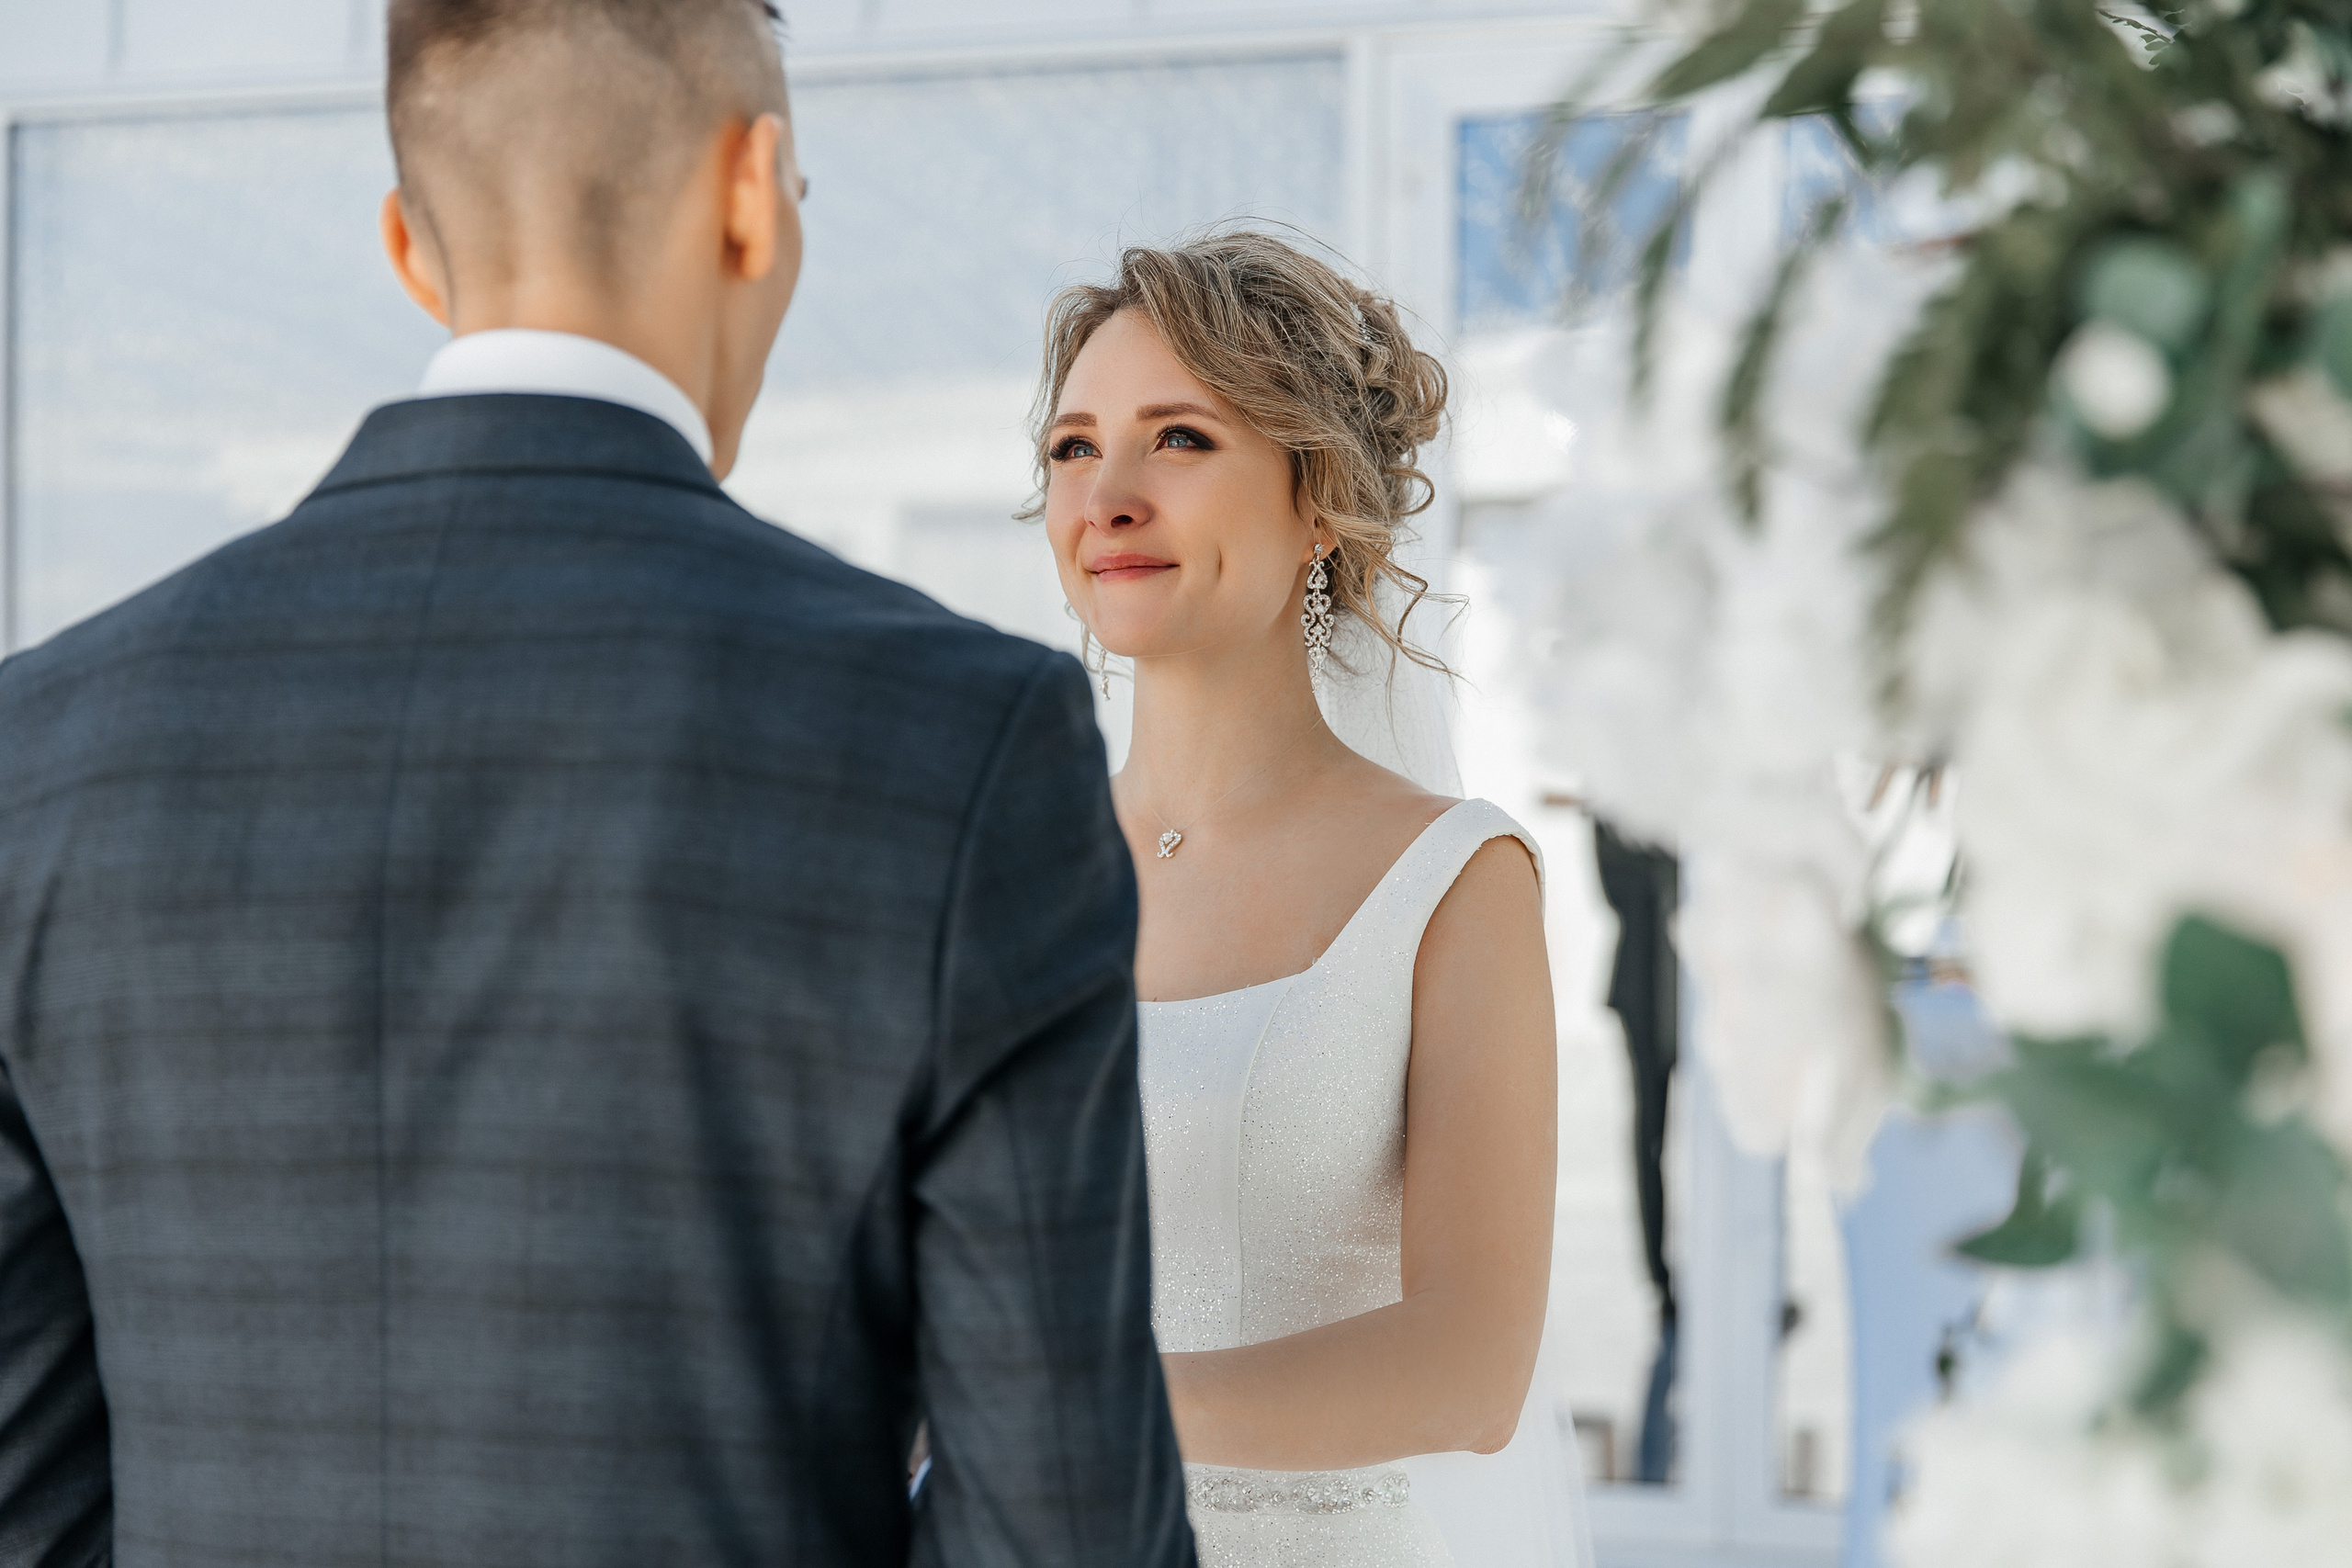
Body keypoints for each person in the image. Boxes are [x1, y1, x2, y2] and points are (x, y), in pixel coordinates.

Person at [0, 4, 1192, 1564]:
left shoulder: (43, 748)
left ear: (409, 252)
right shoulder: (961, 738)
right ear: (753, 193)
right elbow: (1065, 1533)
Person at [1034, 231, 1591, 1566]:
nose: (1106, 494)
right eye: (1071, 447)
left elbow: (1471, 1367)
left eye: (1179, 440)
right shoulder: (999, 868)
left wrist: (1085, 1406)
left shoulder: (1454, 882)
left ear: (1321, 501)